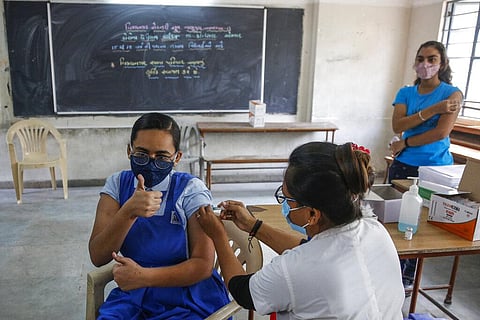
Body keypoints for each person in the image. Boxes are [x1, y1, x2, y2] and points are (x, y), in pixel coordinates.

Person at [196, 141, 405, 319]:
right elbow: (312, 250)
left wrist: (218, 235)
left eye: (287, 199)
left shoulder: (295, 268)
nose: (284, 204)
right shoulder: (374, 229)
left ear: (313, 215)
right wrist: (253, 225)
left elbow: (243, 292)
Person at [88, 113, 229, 319]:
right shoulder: (117, 185)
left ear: (177, 158)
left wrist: (144, 277)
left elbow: (202, 265)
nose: (151, 163)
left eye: (162, 157)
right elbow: (98, 256)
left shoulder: (190, 189)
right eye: (142, 154)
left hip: (187, 293)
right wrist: (128, 212)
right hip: (134, 294)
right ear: (129, 150)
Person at [388, 40, 463, 291]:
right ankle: (389, 270)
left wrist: (406, 142)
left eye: (432, 59)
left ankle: (408, 279)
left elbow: (441, 133)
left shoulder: (452, 94)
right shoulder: (406, 93)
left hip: (436, 169)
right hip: (404, 166)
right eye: (421, 59)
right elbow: (397, 126)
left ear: (442, 64)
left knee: (422, 225)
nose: (425, 65)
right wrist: (435, 109)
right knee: (395, 220)